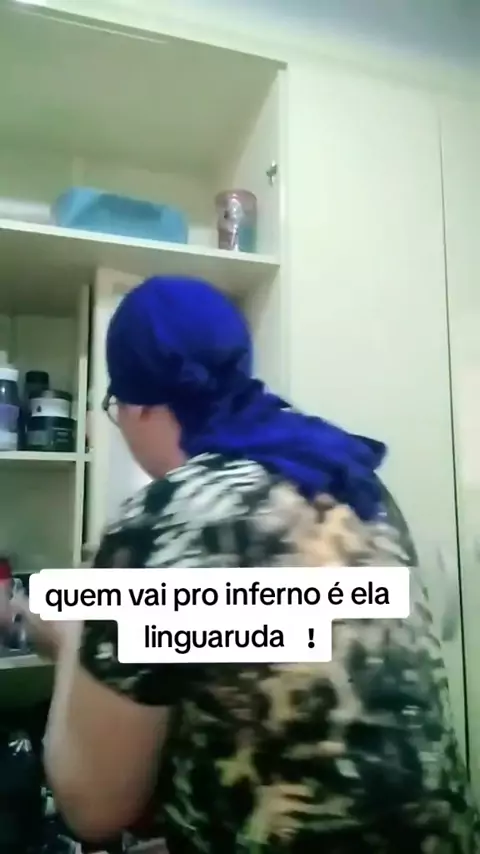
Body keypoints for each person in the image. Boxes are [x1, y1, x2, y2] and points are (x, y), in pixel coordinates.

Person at [13, 276, 478, 852]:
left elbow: (94, 809)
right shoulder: (348, 480)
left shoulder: (165, 517)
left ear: (139, 406)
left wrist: (74, 640)